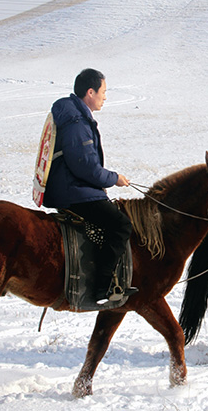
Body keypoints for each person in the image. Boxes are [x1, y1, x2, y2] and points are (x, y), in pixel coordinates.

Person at [43, 68, 137, 304]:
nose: (105, 97)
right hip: (74, 191)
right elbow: (85, 167)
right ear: (90, 92)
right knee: (121, 226)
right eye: (103, 92)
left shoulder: (77, 116)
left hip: (74, 187)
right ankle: (102, 287)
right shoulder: (77, 122)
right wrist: (114, 178)